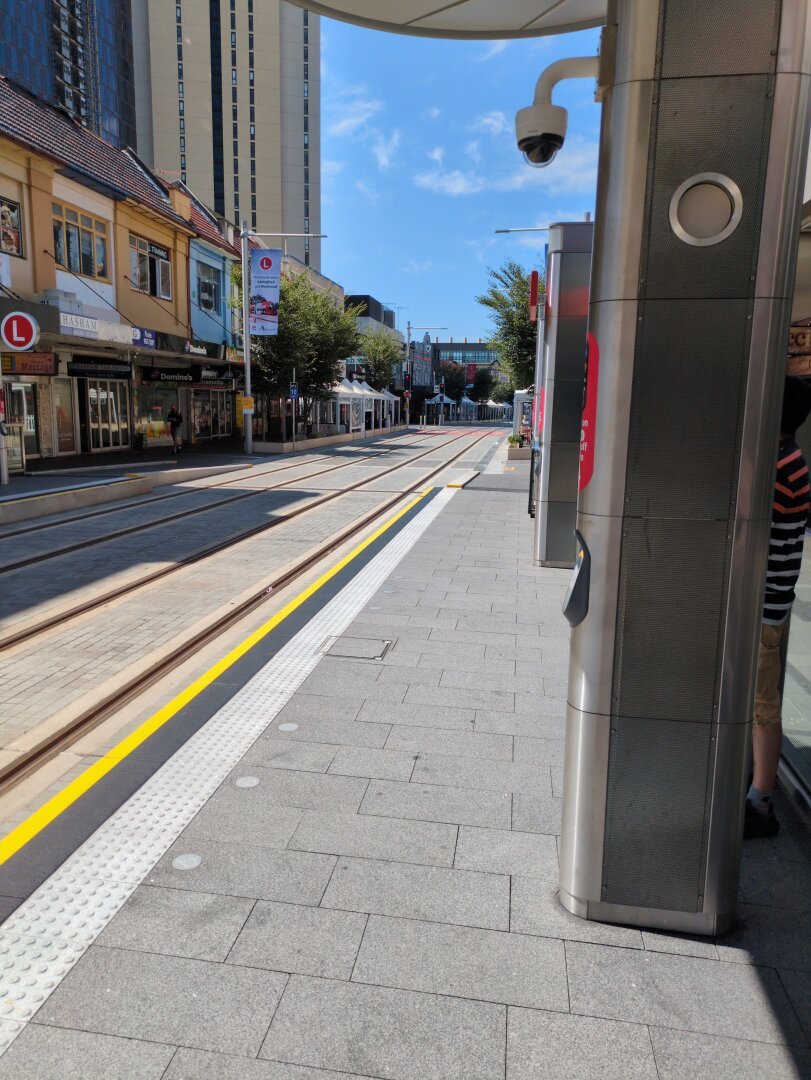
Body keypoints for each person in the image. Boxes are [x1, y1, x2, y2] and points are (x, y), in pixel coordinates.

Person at [745, 375, 811, 838]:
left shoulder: (780, 466)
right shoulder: (790, 459)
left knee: (764, 705)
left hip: (766, 608)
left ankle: (761, 802)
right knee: (758, 701)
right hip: (773, 601)